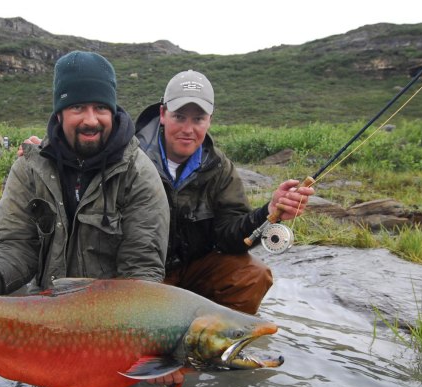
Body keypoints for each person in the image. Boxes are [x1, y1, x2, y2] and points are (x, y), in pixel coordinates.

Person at [0, 51, 169, 326]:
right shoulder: (29, 169)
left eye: (101, 107)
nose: (91, 120)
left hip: (111, 324)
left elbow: (141, 273)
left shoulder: (138, 175)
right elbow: (15, 249)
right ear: (59, 113)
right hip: (41, 319)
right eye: (78, 107)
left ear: (112, 110)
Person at [134, 69, 315, 316]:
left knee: (253, 276)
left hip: (192, 270)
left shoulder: (219, 167)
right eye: (179, 117)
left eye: (198, 119)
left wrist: (269, 212)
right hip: (140, 274)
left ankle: (215, 336)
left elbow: (230, 237)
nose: (188, 129)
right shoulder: (130, 158)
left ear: (209, 120)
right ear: (163, 114)